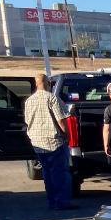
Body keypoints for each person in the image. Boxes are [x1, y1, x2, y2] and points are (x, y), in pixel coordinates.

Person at [23, 74, 75, 210]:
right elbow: (61, 120)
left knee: (47, 173)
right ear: (47, 83)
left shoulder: (29, 100)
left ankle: (52, 201)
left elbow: (27, 121)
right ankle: (62, 202)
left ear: (36, 84)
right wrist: (67, 135)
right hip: (54, 141)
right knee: (60, 173)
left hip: (37, 142)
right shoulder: (51, 98)